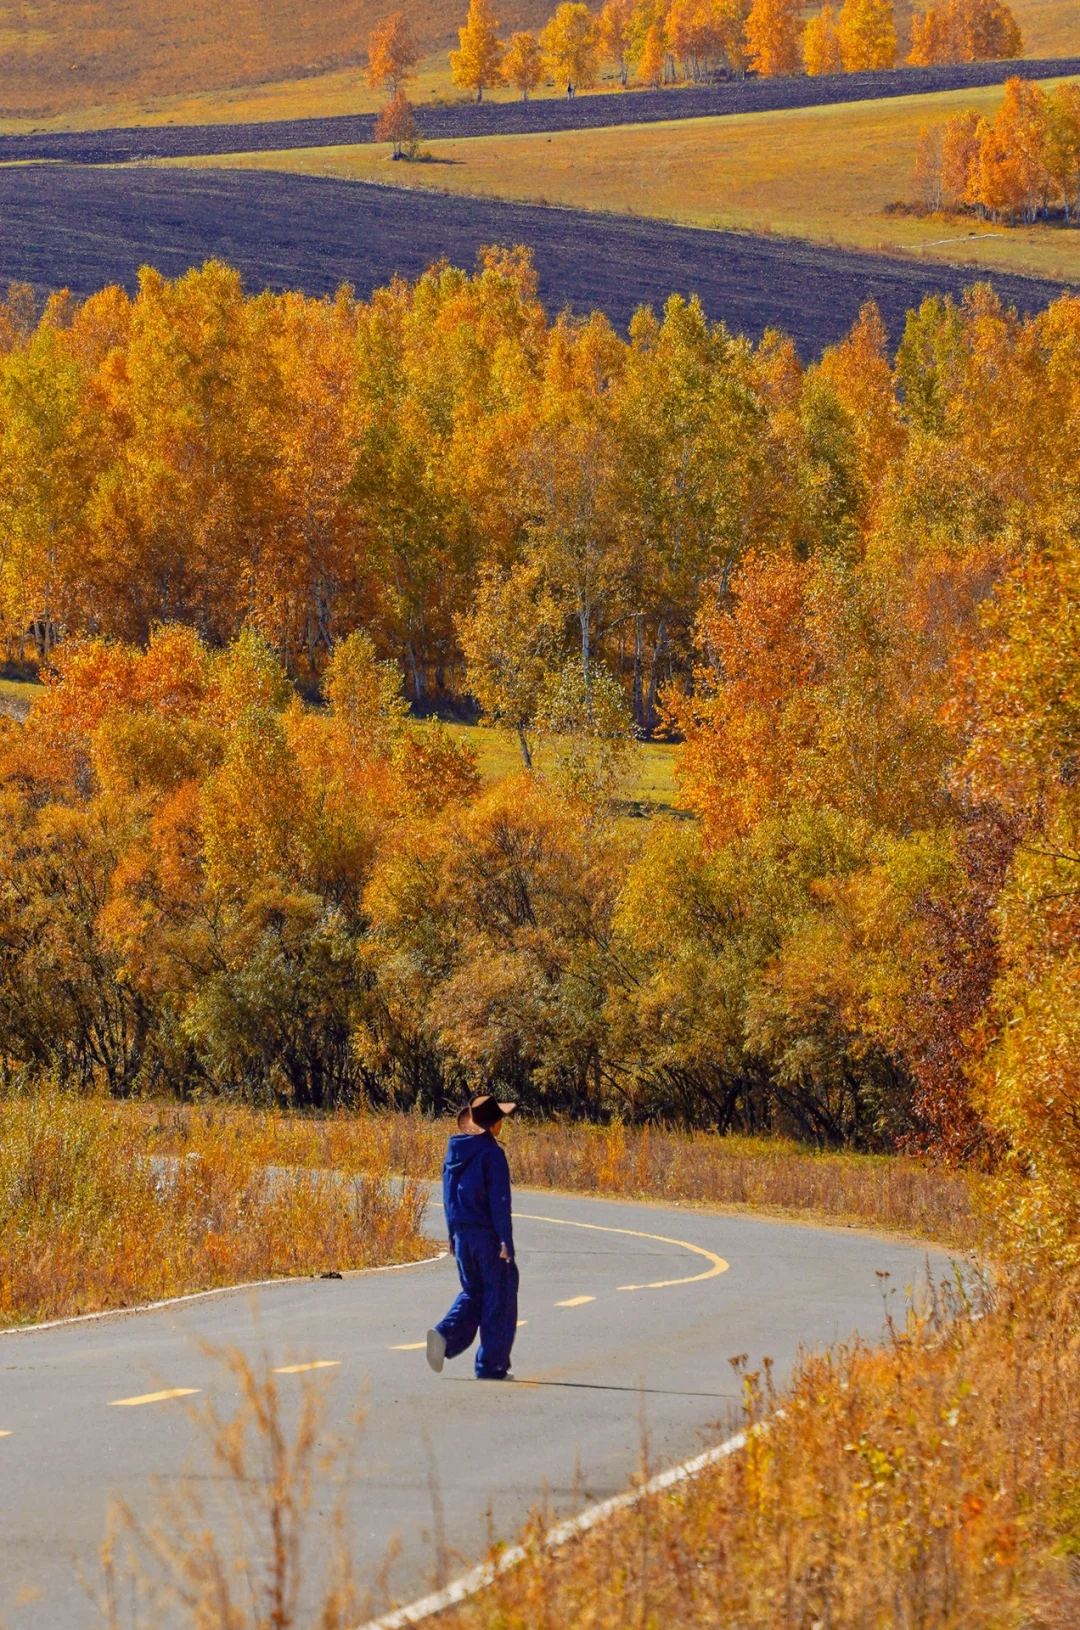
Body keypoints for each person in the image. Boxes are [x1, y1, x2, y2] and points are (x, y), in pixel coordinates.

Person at [426, 1095, 518, 1382]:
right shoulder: (492, 1154)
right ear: (494, 1125)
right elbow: (499, 1200)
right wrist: (506, 1240)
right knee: (498, 1296)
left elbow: (448, 1195)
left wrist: (452, 1233)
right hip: (488, 1236)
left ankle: (444, 1335)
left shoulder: (455, 1151)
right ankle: (491, 1366)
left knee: (473, 1292)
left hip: (463, 1236)